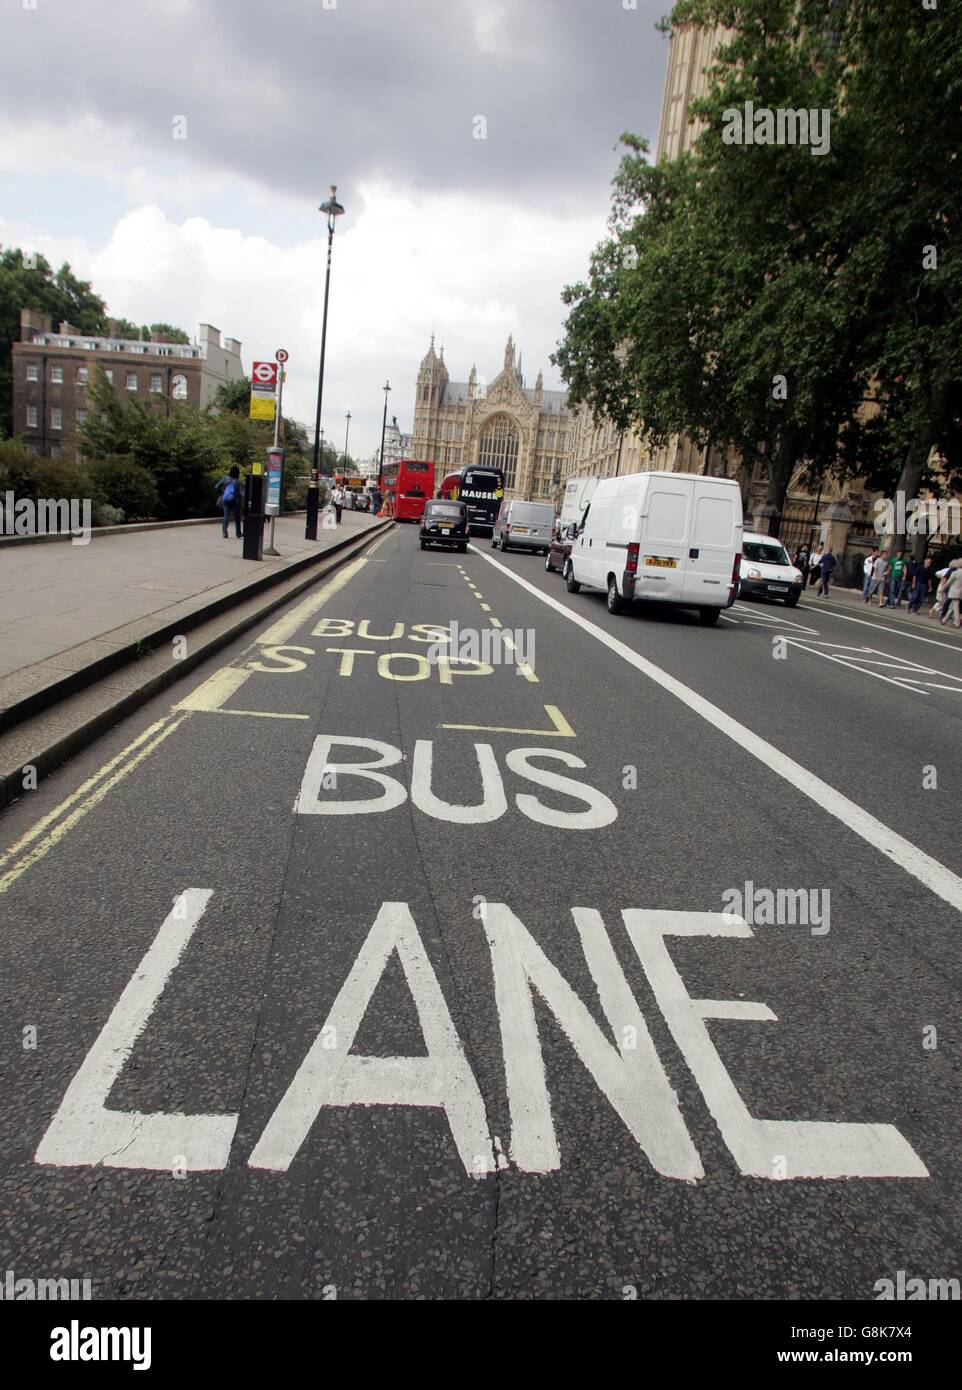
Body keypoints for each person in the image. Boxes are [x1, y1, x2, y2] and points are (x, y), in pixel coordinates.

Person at [215, 464, 243, 539]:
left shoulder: (225, 479)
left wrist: (222, 493)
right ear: (237, 473)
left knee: (226, 515)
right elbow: (242, 493)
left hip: (225, 499)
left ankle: (224, 532)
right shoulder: (238, 482)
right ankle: (238, 533)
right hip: (235, 501)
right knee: (237, 516)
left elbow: (216, 486)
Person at [940, 559, 962, 630]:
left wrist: (943, 589)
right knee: (951, 607)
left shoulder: (955, 573)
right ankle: (944, 620)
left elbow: (949, 583)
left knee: (955, 608)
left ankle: (957, 623)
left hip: (954, 592)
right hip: (960, 592)